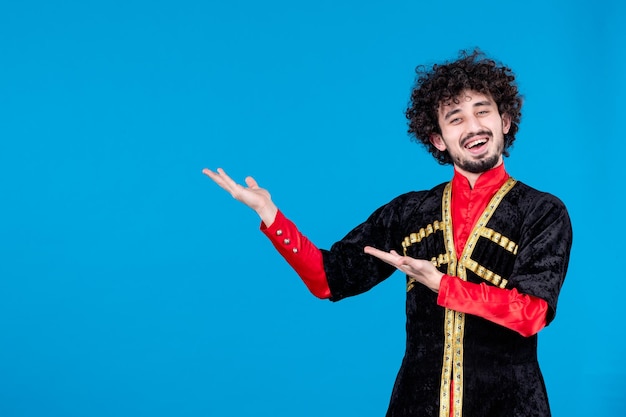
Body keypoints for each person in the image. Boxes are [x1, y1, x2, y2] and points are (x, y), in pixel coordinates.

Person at [203, 49, 572, 417]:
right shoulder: (409, 213)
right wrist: (270, 214)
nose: (473, 126)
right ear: (438, 139)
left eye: (482, 111)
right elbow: (327, 280)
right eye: (455, 118)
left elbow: (532, 313)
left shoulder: (542, 211)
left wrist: (442, 285)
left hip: (512, 406)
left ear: (505, 121)